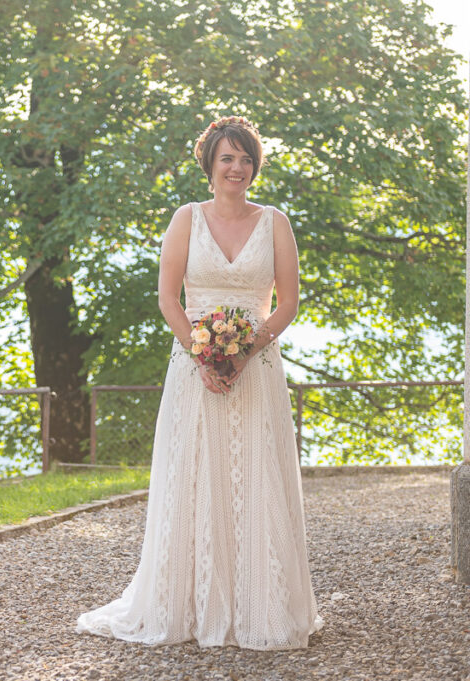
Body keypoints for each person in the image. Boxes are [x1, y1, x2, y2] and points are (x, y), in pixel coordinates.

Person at [76, 115, 323, 650]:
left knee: (257, 474)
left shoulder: (275, 222)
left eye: (246, 159)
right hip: (194, 367)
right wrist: (203, 354)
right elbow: (169, 298)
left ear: (255, 167)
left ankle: (263, 605)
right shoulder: (186, 219)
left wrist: (244, 353)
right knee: (193, 475)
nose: (237, 168)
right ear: (209, 165)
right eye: (227, 158)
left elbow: (288, 303)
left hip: (257, 368)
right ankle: (188, 606)